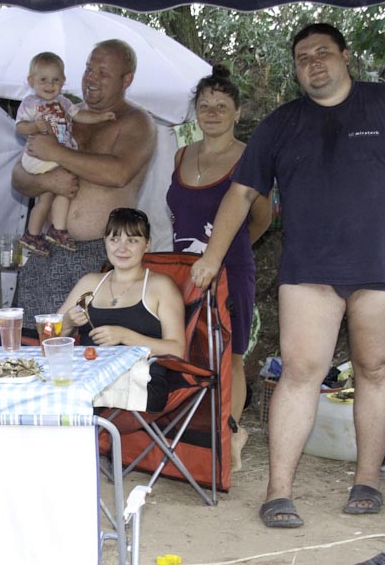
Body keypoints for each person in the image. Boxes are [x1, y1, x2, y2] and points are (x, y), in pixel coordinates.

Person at [191, 23, 385, 528]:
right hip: (309, 268)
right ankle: (278, 491)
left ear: (345, 56)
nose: (312, 63)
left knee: (375, 368)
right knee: (299, 371)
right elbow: (241, 193)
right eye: (302, 57)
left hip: (383, 262)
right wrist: (212, 258)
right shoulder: (281, 123)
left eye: (322, 53)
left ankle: (367, 481)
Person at [166, 65, 272, 472]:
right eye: (205, 106)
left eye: (222, 106)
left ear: (238, 112)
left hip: (231, 271)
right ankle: (194, 432)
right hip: (184, 270)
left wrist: (230, 250)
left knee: (232, 355)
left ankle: (232, 434)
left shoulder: (249, 159)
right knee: (189, 349)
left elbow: (261, 218)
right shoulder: (181, 155)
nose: (212, 113)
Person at [13, 39, 157, 320]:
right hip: (47, 248)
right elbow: (19, 176)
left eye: (103, 73)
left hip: (104, 254)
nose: (91, 78)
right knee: (36, 338)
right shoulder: (59, 111)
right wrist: (48, 183)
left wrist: (57, 153)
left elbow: (118, 173)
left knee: (91, 342)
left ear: (126, 80)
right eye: (89, 69)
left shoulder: (138, 121)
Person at [58, 208, 185, 414]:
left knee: (68, 399)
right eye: (114, 239)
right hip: (87, 376)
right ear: (105, 242)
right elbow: (49, 338)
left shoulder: (161, 287)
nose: (121, 248)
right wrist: (67, 322)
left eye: (132, 240)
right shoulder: (90, 283)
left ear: (147, 244)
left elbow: (177, 349)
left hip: (140, 381)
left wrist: (125, 336)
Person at [16, 51, 116, 256]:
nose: (50, 85)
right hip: (39, 156)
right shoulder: (31, 103)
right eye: (43, 80)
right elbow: (20, 127)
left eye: (55, 80)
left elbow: (80, 116)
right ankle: (58, 229)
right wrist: (34, 127)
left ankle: (34, 234)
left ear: (63, 81)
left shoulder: (64, 102)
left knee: (47, 198)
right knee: (66, 182)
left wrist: (100, 118)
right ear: (31, 81)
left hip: (54, 155)